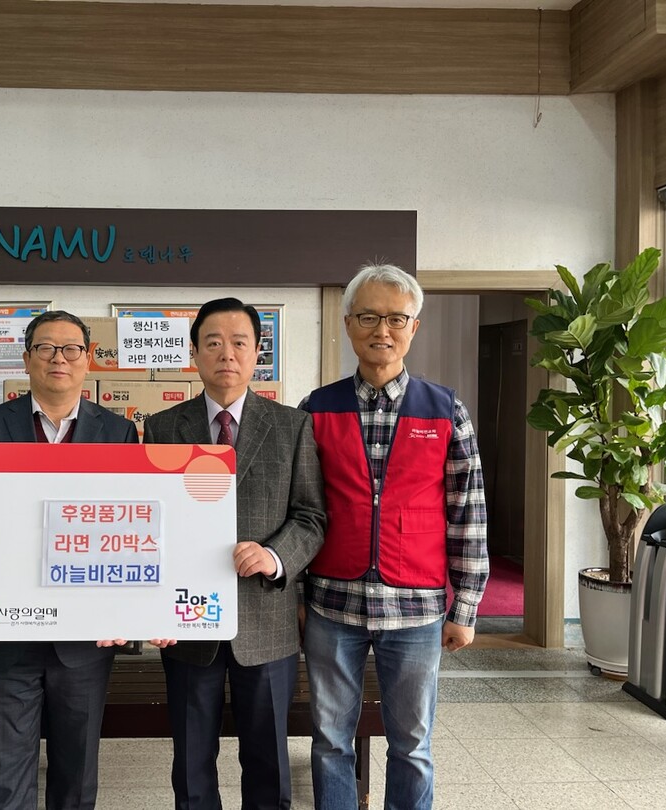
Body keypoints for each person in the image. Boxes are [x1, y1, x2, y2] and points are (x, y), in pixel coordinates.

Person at [301, 264, 488, 810]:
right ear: (348, 324)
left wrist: (466, 607)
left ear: (414, 326)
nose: (382, 330)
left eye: (396, 319)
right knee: (330, 741)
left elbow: (468, 511)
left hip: (417, 609)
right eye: (368, 317)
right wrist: (295, 598)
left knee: (412, 744)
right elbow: (301, 509)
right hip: (332, 604)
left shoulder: (445, 409)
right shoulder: (317, 408)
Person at [0, 310, 137, 810]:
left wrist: (126, 610)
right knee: (5, 778)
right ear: (27, 359)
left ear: (88, 360)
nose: (59, 358)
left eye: (71, 348)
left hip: (85, 640)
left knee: (77, 777)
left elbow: (128, 528)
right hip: (6, 633)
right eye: (46, 348)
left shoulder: (117, 431)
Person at [142, 298, 326, 810]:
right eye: (214, 342)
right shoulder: (162, 428)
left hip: (265, 621)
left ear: (257, 352)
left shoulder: (292, 426)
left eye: (239, 342)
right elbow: (149, 523)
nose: (227, 353)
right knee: (191, 762)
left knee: (268, 762)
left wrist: (275, 556)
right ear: (194, 353)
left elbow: (311, 516)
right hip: (187, 623)